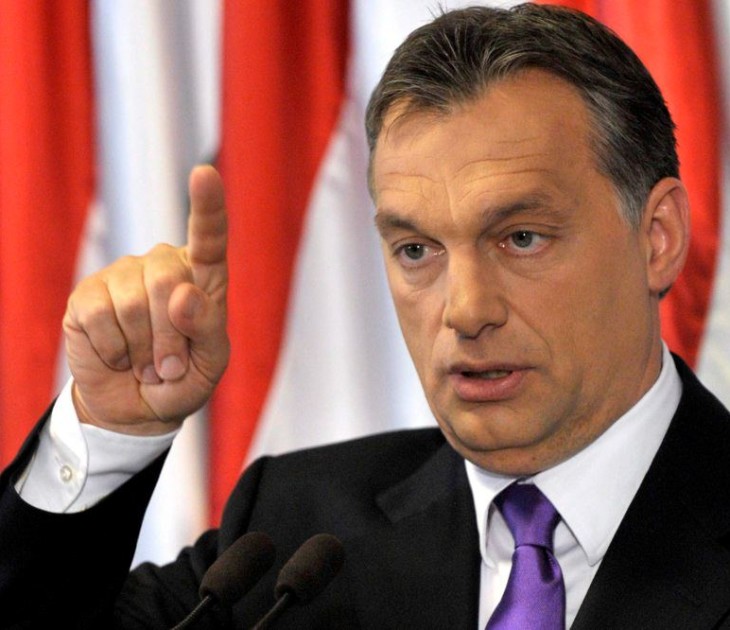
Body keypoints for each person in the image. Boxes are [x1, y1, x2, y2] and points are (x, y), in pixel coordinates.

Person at [1, 3, 728, 628]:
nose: (465, 310)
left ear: (657, 238)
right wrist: (110, 427)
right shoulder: (295, 537)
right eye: (416, 250)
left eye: (522, 238)